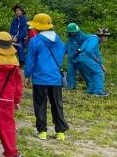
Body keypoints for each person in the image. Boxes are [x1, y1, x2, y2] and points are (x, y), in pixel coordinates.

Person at [24, 13, 69, 141]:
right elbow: (60, 57)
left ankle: (42, 131)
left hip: (40, 78)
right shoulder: (59, 41)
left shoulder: (35, 41)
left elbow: (30, 60)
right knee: (57, 104)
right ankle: (60, 132)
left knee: (40, 105)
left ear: (37, 26)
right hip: (55, 78)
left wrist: (27, 75)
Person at [75, 28, 110, 97]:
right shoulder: (95, 39)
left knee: (90, 74)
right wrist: (94, 57)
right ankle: (98, 92)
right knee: (98, 73)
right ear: (102, 36)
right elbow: (89, 50)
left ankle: (91, 90)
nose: (107, 39)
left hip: (80, 58)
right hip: (86, 57)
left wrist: (102, 65)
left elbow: (97, 54)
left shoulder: (92, 39)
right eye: (106, 37)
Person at [64, 23, 89, 90]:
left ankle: (90, 86)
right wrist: (64, 52)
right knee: (70, 72)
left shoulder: (82, 36)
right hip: (71, 57)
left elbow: (86, 46)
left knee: (85, 73)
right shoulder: (70, 37)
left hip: (80, 57)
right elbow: (68, 46)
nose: (72, 33)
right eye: (70, 32)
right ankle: (70, 86)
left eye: (73, 32)